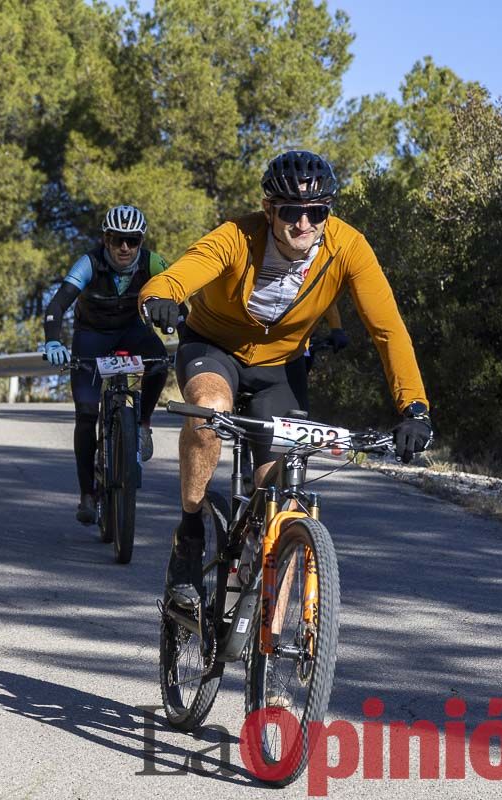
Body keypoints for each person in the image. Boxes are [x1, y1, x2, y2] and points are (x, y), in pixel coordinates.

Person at [139, 149, 433, 605]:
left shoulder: (347, 247)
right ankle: (190, 533)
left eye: (317, 212)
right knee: (210, 411)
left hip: (281, 367)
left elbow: (388, 330)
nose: (304, 224)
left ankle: (265, 604)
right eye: (293, 212)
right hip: (214, 348)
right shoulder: (237, 236)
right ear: (270, 210)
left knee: (279, 491)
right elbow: (178, 276)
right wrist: (160, 297)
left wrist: (414, 407)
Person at [40, 204, 175, 524]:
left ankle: (142, 425)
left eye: (132, 240)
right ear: (105, 239)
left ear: (141, 241)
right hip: (92, 336)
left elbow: (178, 300)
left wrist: (185, 331)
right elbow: (57, 304)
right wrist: (53, 340)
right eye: (117, 240)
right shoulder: (89, 262)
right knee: (86, 414)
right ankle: (87, 493)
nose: (124, 247)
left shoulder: (153, 262)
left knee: (159, 362)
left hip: (133, 332)